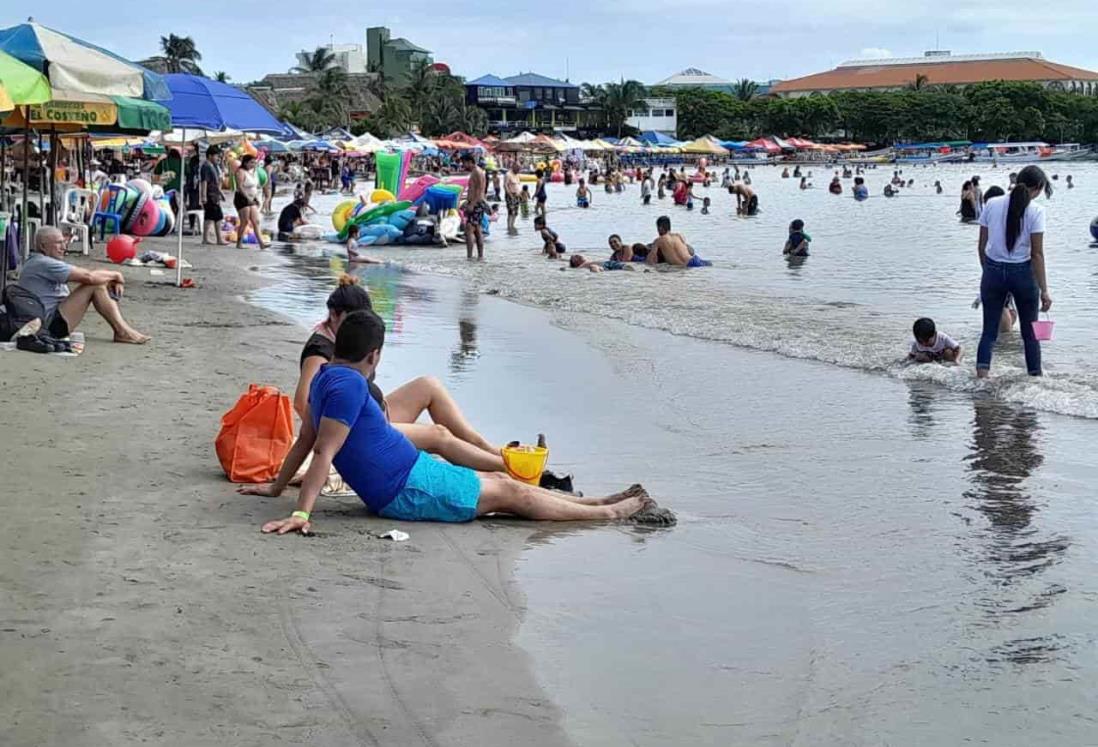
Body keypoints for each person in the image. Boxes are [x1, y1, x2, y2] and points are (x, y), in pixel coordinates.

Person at [244, 310, 671, 531]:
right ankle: (610, 515)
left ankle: (597, 502)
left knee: (506, 485)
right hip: (407, 491)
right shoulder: (349, 386)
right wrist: (301, 515)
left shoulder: (324, 377)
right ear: (374, 356)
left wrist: (276, 487)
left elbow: (305, 441)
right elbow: (321, 451)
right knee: (510, 495)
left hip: (413, 473)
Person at [292, 277, 510, 475]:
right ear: (334, 315)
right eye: (353, 320)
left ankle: (485, 448)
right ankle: (508, 468)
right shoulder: (320, 352)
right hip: (356, 430)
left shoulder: (346, 340)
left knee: (428, 385)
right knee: (438, 434)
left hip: (371, 414)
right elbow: (303, 403)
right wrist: (336, 441)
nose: (357, 326)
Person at [976, 164, 1052, 378]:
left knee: (989, 332)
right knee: (1030, 335)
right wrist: (1045, 290)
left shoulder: (992, 203)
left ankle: (982, 378)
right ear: (1037, 188)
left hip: (992, 270)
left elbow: (982, 246)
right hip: (1023, 275)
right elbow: (1037, 254)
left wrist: (990, 271)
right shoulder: (1036, 211)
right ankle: (1035, 382)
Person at [14, 227, 149, 344]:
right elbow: (89, 277)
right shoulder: (43, 263)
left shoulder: (40, 261)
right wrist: (117, 276)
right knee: (95, 284)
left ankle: (122, 331)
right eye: (59, 243)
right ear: (43, 246)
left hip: (51, 320)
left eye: (64, 242)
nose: (64, 247)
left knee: (98, 281)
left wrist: (110, 279)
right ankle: (122, 331)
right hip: (48, 326)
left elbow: (87, 274)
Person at [234, 155, 268, 249]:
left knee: (256, 221)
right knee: (244, 221)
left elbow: (256, 186)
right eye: (251, 162)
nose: (254, 164)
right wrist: (247, 198)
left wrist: (256, 198)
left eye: (255, 162)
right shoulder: (240, 172)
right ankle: (239, 243)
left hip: (252, 198)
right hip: (242, 198)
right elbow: (240, 187)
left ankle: (261, 243)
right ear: (245, 163)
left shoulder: (253, 172)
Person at [461, 153, 488, 260]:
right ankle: (479, 257)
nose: (463, 166)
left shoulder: (477, 171)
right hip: (477, 203)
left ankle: (470, 257)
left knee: (469, 230)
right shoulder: (476, 171)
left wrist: (472, 204)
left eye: (464, 163)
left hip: (476, 203)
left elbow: (480, 189)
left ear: (470, 162)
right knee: (477, 230)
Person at [199, 147, 225, 246]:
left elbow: (215, 182)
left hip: (214, 194)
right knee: (218, 217)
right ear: (210, 156)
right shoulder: (206, 166)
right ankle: (218, 239)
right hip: (210, 195)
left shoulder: (212, 166)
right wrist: (204, 196)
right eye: (216, 156)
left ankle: (206, 238)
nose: (218, 158)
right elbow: (204, 182)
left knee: (209, 217)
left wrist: (220, 193)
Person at [153, 147, 184, 214]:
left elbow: (156, 175)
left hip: (166, 188)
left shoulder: (163, 161)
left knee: (167, 206)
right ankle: (176, 218)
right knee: (178, 206)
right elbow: (188, 173)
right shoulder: (182, 162)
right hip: (179, 189)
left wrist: (156, 184)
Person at [504, 164, 522, 234]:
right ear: (514, 167)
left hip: (517, 195)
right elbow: (505, 185)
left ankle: (512, 226)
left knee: (516, 212)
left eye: (519, 170)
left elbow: (518, 185)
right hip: (510, 195)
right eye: (518, 169)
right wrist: (510, 195)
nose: (519, 171)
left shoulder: (517, 175)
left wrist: (520, 194)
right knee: (511, 212)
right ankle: (509, 227)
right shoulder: (508, 174)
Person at [569, 254, 636, 272]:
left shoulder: (587, 262)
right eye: (575, 257)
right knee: (594, 267)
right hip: (600, 266)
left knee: (617, 265)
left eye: (576, 255)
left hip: (606, 263)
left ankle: (625, 267)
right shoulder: (581, 266)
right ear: (575, 263)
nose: (577, 256)